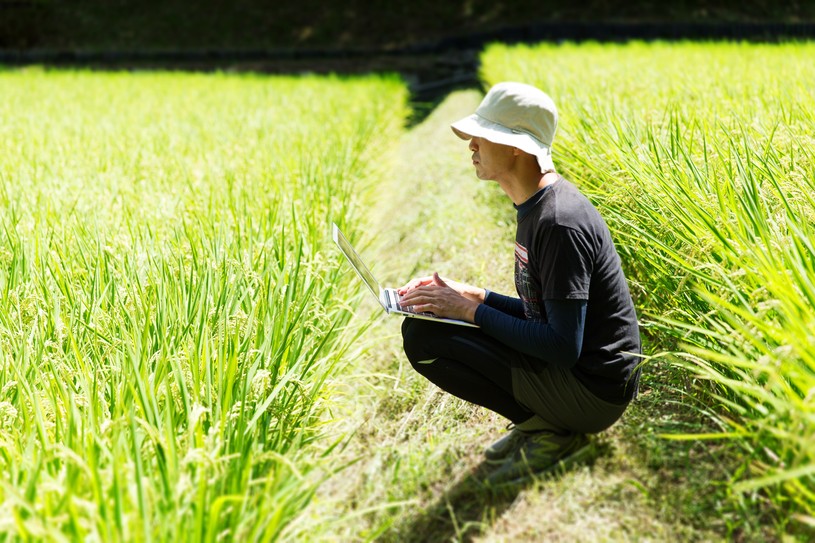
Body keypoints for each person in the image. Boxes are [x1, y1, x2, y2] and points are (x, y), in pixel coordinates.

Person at [398, 82, 641, 484]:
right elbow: (541, 313)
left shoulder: (560, 221)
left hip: (594, 392)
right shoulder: (536, 206)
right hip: (579, 374)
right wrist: (474, 296)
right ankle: (540, 423)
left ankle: (551, 431)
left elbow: (562, 347)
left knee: (428, 341)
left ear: (516, 146)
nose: (471, 145)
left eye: (483, 136)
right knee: (423, 327)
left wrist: (469, 310)